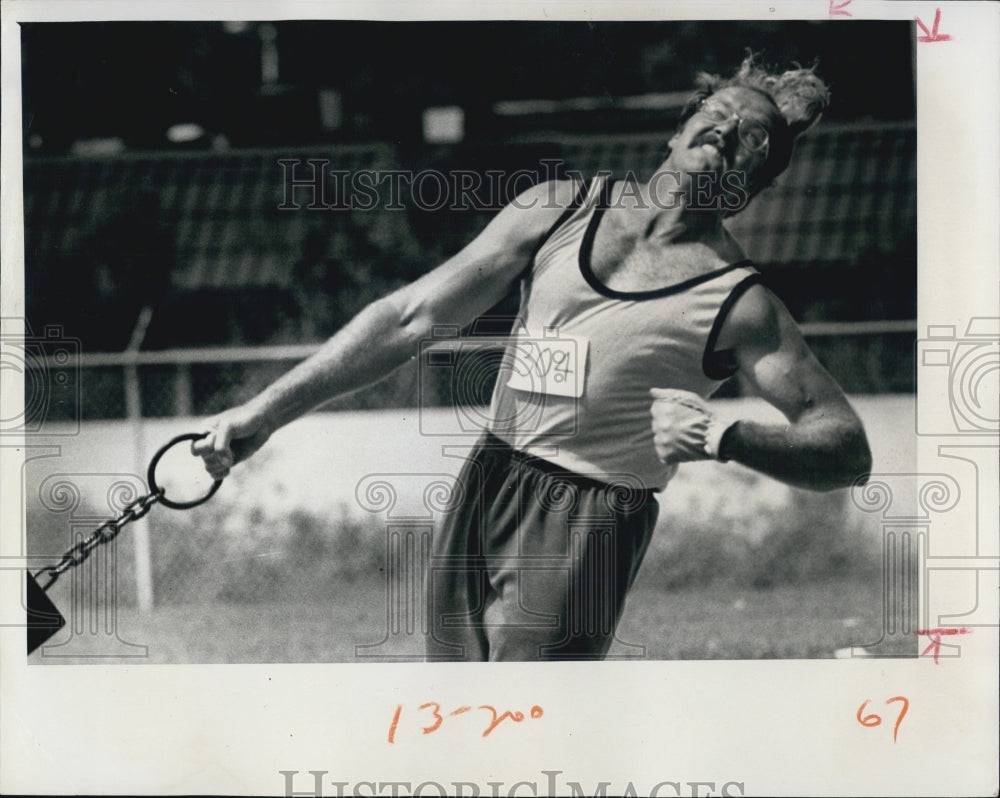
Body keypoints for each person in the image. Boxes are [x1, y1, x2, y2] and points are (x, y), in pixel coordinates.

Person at [193, 55, 872, 661]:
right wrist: (262, 413)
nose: (726, 128)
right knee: (459, 718)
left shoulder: (741, 303)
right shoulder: (558, 208)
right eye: (716, 111)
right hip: (489, 475)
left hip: (591, 513)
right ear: (678, 129)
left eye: (752, 136)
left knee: (524, 724)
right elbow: (409, 317)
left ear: (756, 182)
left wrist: (728, 436)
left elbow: (845, 450)